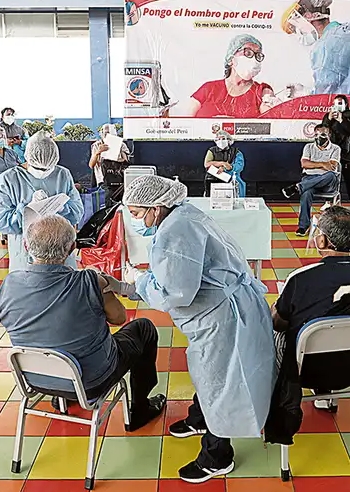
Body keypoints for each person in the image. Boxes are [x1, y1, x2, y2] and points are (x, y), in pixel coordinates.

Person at [121, 175, 275, 484]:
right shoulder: (185, 214)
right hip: (226, 304)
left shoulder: (175, 232)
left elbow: (175, 291)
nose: (134, 220)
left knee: (218, 381)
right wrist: (138, 284)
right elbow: (180, 271)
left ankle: (217, 456)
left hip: (221, 317)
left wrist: (134, 284)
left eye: (137, 213)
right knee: (208, 376)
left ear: (156, 207)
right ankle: (201, 418)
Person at [0, 215, 166, 429]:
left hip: (34, 378)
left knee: (52, 335)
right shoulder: (89, 281)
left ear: (27, 246)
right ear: (72, 247)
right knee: (143, 328)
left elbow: (6, 317)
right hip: (91, 381)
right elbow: (119, 318)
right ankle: (140, 409)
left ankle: (63, 395)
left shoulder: (10, 283)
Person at [267, 206, 350, 434]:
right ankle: (327, 398)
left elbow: (278, 323)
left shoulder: (301, 279)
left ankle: (274, 397)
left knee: (276, 328)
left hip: (303, 370)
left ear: (322, 241)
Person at [0, 131, 84, 271]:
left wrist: (62, 207)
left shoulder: (62, 174)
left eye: (49, 168)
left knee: (65, 288)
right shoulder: (8, 180)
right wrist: (26, 210)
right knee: (28, 288)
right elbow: (1, 220)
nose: (44, 171)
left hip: (62, 248)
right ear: (28, 158)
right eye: (39, 167)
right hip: (26, 251)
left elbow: (77, 211)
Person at [282, 0, 350, 99]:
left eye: (297, 28)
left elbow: (326, 94)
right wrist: (308, 92)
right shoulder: (346, 32)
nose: (299, 33)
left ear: (309, 16)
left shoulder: (328, 44)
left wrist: (306, 95)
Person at [174, 34, 279, 118]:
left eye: (258, 55)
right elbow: (186, 124)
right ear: (231, 59)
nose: (253, 59)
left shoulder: (261, 92)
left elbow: (272, 124)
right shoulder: (208, 89)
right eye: (247, 52)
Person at [282, 124, 340, 236]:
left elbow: (332, 166)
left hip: (328, 182)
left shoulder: (335, 148)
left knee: (331, 175)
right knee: (306, 193)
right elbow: (304, 164)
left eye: (323, 134)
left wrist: (313, 165)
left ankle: (298, 187)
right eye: (317, 134)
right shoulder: (308, 147)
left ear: (329, 135)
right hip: (310, 180)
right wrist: (323, 164)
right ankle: (303, 226)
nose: (319, 137)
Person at [321, 95, 350, 213]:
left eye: (340, 103)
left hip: (347, 153)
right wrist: (328, 119)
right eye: (335, 103)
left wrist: (341, 119)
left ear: (346, 104)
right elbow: (323, 131)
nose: (338, 106)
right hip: (331, 153)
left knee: (349, 179)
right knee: (330, 178)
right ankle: (327, 202)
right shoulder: (329, 116)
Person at [89, 123, 130, 202]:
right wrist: (98, 152)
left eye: (109, 133)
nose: (107, 135)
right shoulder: (97, 145)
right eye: (105, 133)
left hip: (119, 178)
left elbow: (126, 162)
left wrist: (119, 152)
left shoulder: (121, 145)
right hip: (104, 181)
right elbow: (91, 165)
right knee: (106, 200)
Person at [204, 130, 245, 198]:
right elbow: (207, 164)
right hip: (213, 180)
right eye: (218, 139)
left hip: (231, 180)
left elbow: (239, 166)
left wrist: (227, 168)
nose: (221, 141)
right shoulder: (212, 150)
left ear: (229, 140)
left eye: (223, 138)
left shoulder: (236, 152)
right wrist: (222, 163)